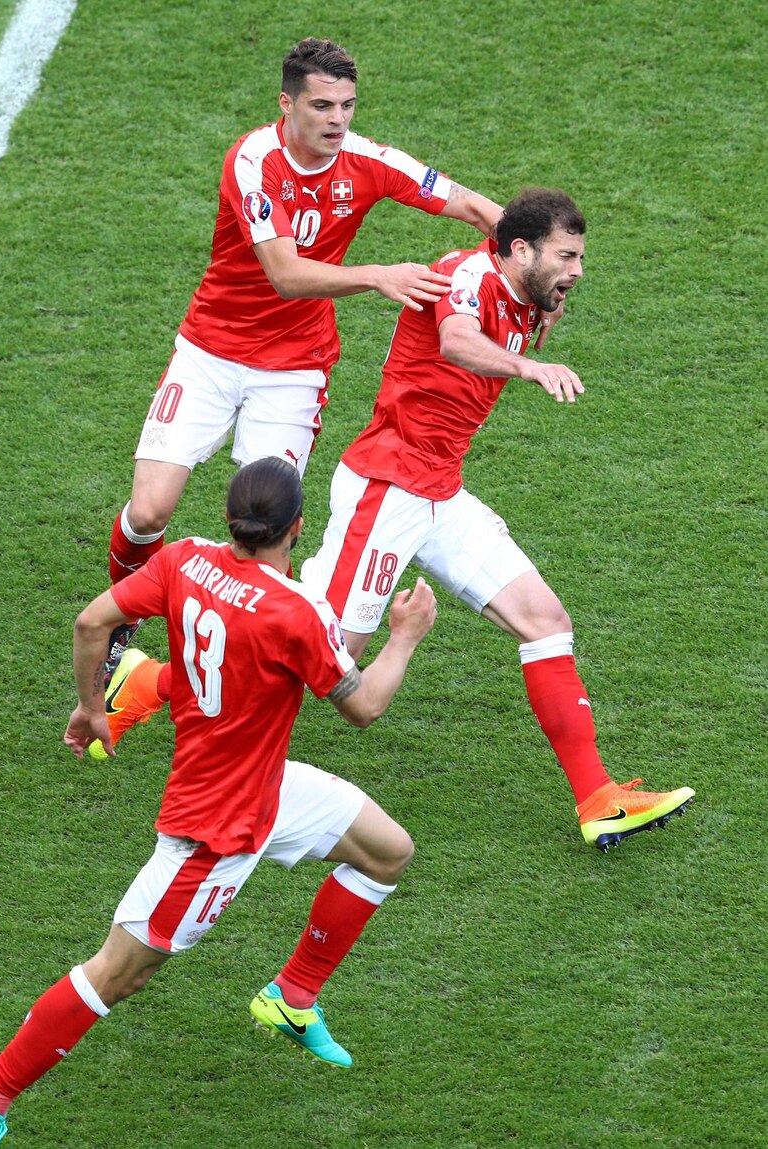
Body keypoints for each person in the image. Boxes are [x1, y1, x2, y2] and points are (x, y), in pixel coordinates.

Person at [0, 457, 437, 1147]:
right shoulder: (296, 614)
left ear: (232, 518)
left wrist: (93, 707)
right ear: (296, 528)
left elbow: (92, 623)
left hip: (265, 780)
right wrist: (406, 633)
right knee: (119, 973)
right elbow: (367, 705)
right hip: (216, 829)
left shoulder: (185, 559)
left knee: (388, 850)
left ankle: (292, 997)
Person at [297, 187, 695, 852]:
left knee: (546, 620)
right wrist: (529, 367)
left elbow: (520, 308)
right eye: (566, 257)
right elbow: (455, 341)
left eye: (580, 258)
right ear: (520, 250)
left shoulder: (526, 292)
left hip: (439, 494)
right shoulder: (468, 278)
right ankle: (152, 685)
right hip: (387, 488)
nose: (577, 270)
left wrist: (548, 310)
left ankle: (598, 798)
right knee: (325, 659)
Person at [102, 35, 503, 674]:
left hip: (293, 371)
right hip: (210, 351)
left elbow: (477, 207)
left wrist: (532, 277)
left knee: (268, 525)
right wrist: (376, 275)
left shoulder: (368, 159)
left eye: (347, 105)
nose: (337, 120)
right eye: (321, 106)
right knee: (150, 509)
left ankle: (249, 659)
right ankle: (120, 618)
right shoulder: (253, 161)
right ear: (285, 105)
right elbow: (284, 273)